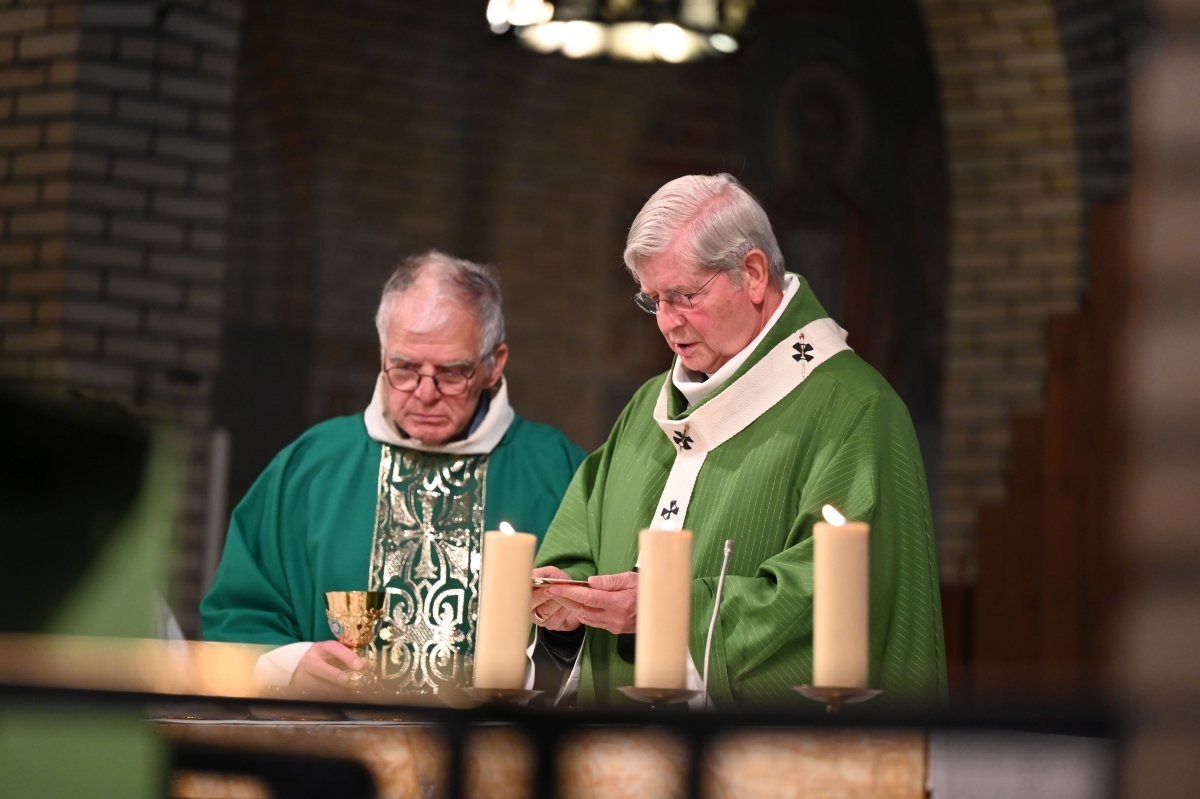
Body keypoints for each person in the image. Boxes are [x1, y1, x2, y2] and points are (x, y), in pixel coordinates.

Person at [530, 174, 946, 707]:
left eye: (683, 296)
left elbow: (840, 602)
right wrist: (567, 608)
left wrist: (669, 614)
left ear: (751, 274)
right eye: (652, 300)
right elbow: (580, 548)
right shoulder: (646, 409)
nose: (665, 322)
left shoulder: (853, 409)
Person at [202, 250, 586, 695]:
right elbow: (239, 616)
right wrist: (290, 670)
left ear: (492, 365)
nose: (425, 393)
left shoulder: (558, 471)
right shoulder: (312, 466)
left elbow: (598, 637)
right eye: (404, 368)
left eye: (450, 372)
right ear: (383, 353)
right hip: (337, 753)